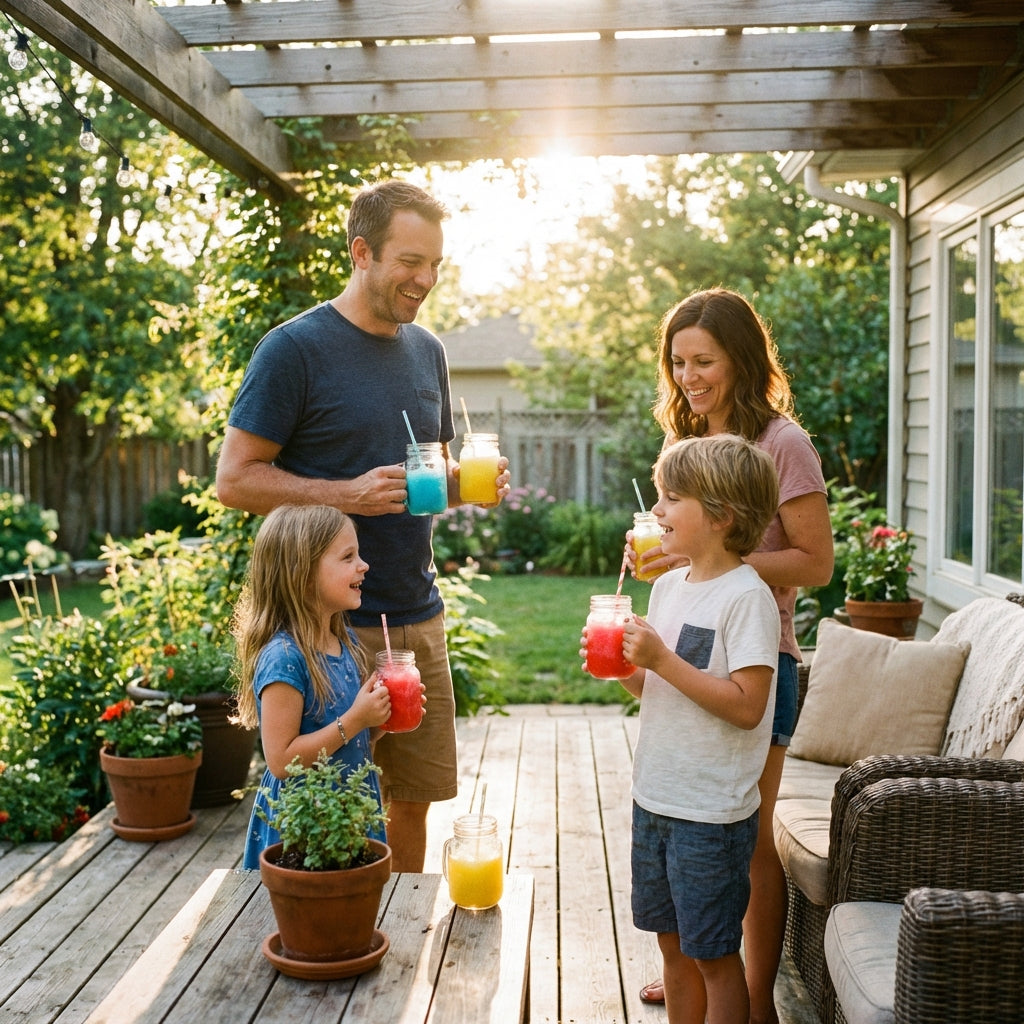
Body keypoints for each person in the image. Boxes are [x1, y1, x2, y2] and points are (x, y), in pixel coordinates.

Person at [216, 178, 510, 872]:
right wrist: (343, 493)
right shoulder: (294, 350)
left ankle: (398, 927)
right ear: (361, 252)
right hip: (330, 630)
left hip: (417, 611)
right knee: (336, 797)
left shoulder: (427, 351)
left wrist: (468, 486)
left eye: (434, 263)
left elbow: (426, 480)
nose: (425, 279)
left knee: (413, 798)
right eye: (410, 261)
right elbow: (234, 479)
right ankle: (336, 924)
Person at [630, 288, 834, 1021]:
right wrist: (673, 560)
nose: (688, 377)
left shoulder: (782, 443)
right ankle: (697, 963)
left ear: (741, 360)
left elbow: (815, 562)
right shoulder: (686, 439)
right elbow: (688, 552)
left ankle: (751, 993)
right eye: (678, 362)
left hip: (758, 655)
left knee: (744, 835)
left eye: (704, 361)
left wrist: (724, 565)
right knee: (695, 838)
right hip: (691, 652)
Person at [585, 434, 782, 1024]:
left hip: (711, 815)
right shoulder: (669, 587)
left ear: (721, 516)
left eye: (672, 499)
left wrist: (662, 659)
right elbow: (656, 687)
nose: (657, 510)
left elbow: (748, 707)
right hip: (656, 800)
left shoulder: (747, 599)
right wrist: (625, 667)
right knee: (671, 950)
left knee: (714, 957)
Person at [235, 504, 404, 870]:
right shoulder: (284, 658)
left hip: (344, 815)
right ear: (303, 573)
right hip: (304, 825)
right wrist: (356, 720)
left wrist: (379, 721)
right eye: (348, 557)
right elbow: (282, 761)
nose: (364, 565)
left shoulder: (344, 644)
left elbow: (353, 740)